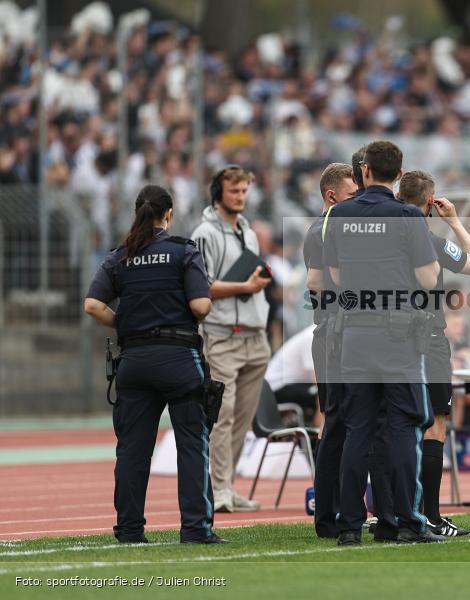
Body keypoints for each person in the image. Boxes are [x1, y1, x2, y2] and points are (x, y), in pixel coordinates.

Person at [84, 184, 226, 544]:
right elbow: (200, 306)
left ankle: (130, 529)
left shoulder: (120, 256)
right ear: (170, 214)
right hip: (179, 359)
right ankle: (196, 528)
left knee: (132, 450)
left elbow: (92, 305)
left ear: (137, 213)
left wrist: (126, 324)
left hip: (134, 361)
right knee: (192, 444)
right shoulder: (183, 250)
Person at [323, 140, 444, 545]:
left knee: (357, 429)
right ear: (400, 172)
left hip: (355, 333)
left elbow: (335, 278)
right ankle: (407, 521)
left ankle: (349, 526)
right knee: (404, 427)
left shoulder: (339, 214)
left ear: (365, 171)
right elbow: (428, 278)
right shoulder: (408, 216)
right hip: (398, 335)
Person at [397, 170, 470, 537]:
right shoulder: (429, 240)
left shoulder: (379, 238)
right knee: (434, 425)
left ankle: (394, 512)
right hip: (427, 338)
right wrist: (454, 222)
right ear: (431, 203)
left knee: (394, 426)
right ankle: (430, 516)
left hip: (387, 339)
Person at [191, 165, 272, 513]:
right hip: (222, 334)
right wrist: (245, 286)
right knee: (221, 416)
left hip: (255, 335)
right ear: (218, 193)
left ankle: (228, 484)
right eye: (234, 191)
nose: (240, 197)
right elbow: (200, 285)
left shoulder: (248, 231)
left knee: (243, 417)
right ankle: (218, 488)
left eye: (243, 191)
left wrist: (255, 283)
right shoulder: (204, 233)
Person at [304, 162, 357, 538]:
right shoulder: (325, 228)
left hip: (333, 333)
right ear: (332, 195)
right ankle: (330, 515)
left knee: (342, 423)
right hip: (332, 335)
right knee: (337, 423)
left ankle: (337, 511)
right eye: (352, 194)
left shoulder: (332, 226)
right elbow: (315, 283)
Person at [264, 323, 320, 428]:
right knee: (326, 395)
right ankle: (319, 433)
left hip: (292, 384)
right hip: (275, 387)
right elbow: (318, 380)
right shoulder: (313, 336)